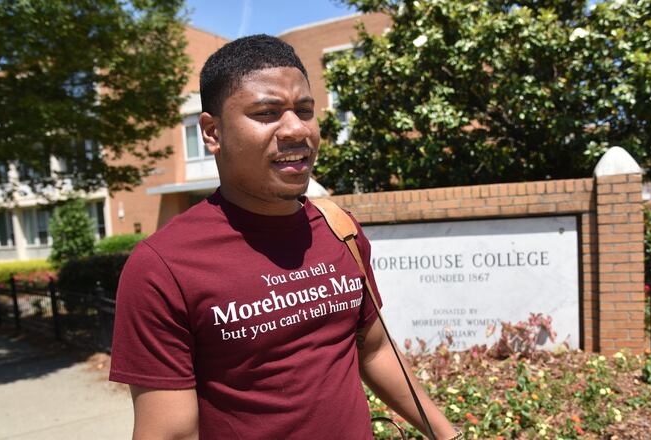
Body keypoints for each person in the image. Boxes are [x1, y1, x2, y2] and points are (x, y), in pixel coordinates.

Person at [109, 34, 458, 440]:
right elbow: (169, 433)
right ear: (212, 132)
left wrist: (448, 435)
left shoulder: (339, 230)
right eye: (267, 112)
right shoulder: (162, 267)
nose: (296, 129)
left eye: (305, 110)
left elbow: (376, 350)